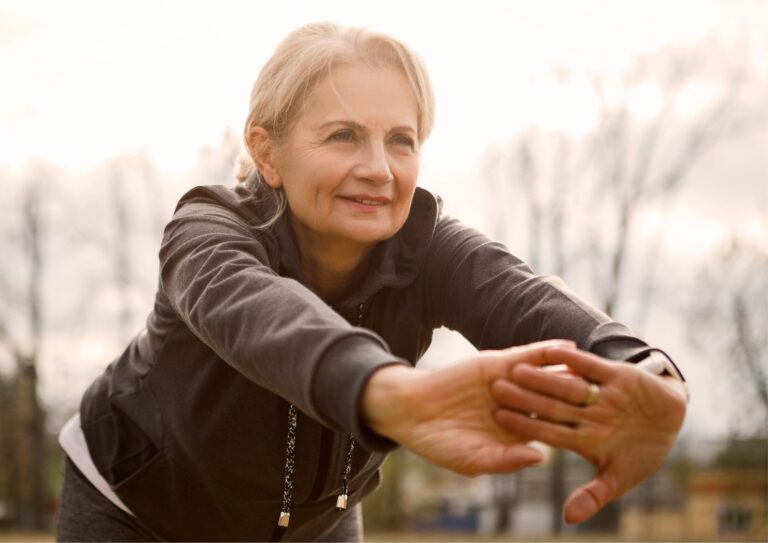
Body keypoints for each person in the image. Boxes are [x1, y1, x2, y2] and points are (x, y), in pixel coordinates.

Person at [55, 22, 688, 542]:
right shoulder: (207, 230)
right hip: (135, 504)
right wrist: (393, 395)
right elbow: (265, 318)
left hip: (313, 520)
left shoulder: (429, 246)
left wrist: (645, 373)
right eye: (343, 136)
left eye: (401, 141)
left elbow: (521, 298)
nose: (379, 170)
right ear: (268, 151)